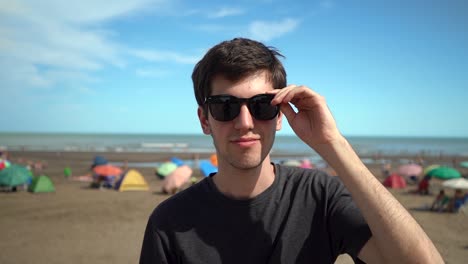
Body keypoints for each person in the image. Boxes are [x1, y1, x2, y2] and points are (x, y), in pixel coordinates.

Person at [140, 38, 443, 263]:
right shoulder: (169, 222)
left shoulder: (320, 197)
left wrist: (332, 144)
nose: (245, 123)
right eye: (225, 107)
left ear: (280, 115)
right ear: (205, 119)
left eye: (261, 106)